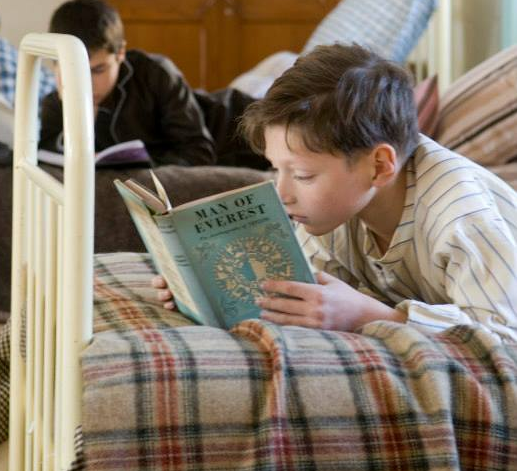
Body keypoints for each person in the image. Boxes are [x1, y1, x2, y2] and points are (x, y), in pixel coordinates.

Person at [156, 43, 517, 343]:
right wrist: (206, 288)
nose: (282, 193)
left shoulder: (463, 216)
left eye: (303, 175)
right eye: (276, 168)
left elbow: (504, 337)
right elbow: (308, 289)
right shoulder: (332, 211)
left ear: (379, 166)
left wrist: (375, 316)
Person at [39, 0, 216, 166]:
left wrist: (140, 168)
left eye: (98, 70)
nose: (86, 85)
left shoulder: (156, 74)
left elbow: (200, 152)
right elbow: (46, 157)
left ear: (120, 53)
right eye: (73, 72)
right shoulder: (53, 104)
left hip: (224, 124)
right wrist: (77, 119)